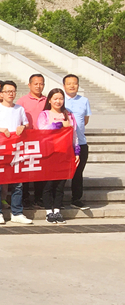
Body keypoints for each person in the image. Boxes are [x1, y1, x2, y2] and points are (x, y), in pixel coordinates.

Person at [0, 80, 33, 225]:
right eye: (7, 91)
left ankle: (17, 212)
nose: (10, 94)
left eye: (13, 91)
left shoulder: (19, 109)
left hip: (16, 150)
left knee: (18, 183)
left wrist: (23, 127)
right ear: (1, 93)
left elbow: (26, 123)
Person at [37, 88, 80, 223]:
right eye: (55, 98)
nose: (58, 101)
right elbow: (42, 129)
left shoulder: (69, 115)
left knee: (60, 185)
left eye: (61, 98)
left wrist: (76, 151)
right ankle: (48, 212)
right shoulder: (44, 114)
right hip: (49, 153)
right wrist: (59, 124)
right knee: (48, 184)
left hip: (64, 153)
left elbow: (74, 134)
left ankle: (57, 211)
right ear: (49, 100)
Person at [17, 74, 47, 208]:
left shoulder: (48, 101)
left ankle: (39, 197)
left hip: (43, 140)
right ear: (29, 85)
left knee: (40, 170)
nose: (38, 86)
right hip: (27, 140)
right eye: (36, 83)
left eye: (41, 83)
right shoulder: (22, 101)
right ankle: (25, 197)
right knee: (26, 170)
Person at [63, 74, 91, 209]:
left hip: (80, 142)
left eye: (74, 83)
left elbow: (85, 120)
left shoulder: (84, 100)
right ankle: (57, 199)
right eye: (69, 83)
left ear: (78, 85)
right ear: (64, 86)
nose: (72, 86)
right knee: (61, 172)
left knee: (78, 172)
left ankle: (76, 199)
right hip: (64, 143)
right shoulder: (60, 99)